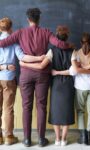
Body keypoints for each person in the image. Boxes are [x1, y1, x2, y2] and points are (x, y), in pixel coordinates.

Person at [0, 8, 72, 147]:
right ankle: (40, 139)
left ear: (28, 19)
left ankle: (27, 140)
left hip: (26, 74)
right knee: (41, 106)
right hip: (42, 75)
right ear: (39, 19)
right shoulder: (46, 32)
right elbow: (59, 44)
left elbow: (2, 43)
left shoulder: (20, 33)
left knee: (26, 107)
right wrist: (69, 45)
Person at [20, 25, 75, 146]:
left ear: (57, 36)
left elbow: (41, 66)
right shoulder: (73, 50)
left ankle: (53, 139)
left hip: (55, 84)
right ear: (67, 36)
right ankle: (59, 139)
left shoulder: (51, 51)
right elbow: (74, 70)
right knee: (59, 110)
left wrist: (24, 64)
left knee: (53, 111)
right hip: (68, 84)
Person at [0, 17, 44, 145]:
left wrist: (2, 66)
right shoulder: (13, 42)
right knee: (8, 108)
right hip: (9, 78)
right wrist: (39, 58)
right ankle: (8, 136)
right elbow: (23, 57)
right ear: (10, 28)